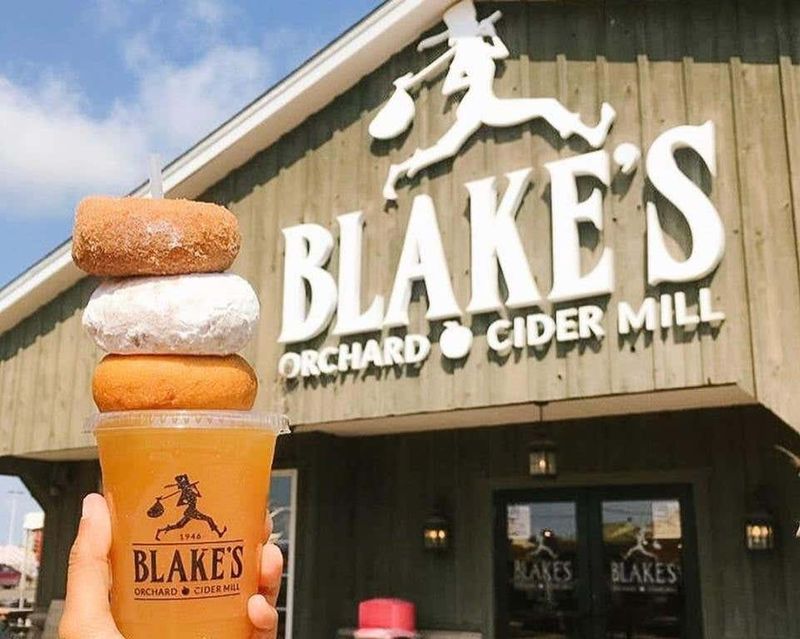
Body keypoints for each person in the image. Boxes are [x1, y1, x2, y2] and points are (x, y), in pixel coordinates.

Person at [382, 0, 616, 200]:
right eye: (472, 22)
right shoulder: (462, 54)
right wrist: (471, 82)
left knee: (447, 147)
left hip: (487, 103)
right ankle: (398, 172)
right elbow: (448, 87)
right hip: (476, 105)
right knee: (448, 147)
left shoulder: (480, 47)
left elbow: (502, 53)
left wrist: (492, 34)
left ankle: (397, 171)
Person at [59, 494, 283, 639]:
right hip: (189, 514)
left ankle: (202, 532)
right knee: (183, 525)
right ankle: (165, 532)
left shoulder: (189, 493)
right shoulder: (184, 495)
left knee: (202, 523)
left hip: (192, 513)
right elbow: (183, 500)